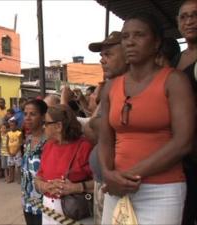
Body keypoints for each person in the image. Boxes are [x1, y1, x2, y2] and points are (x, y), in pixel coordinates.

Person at [99, 12, 195, 225]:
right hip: (116, 187)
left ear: (156, 43)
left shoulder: (174, 81)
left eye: (139, 35)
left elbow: (183, 142)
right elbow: (105, 138)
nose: (130, 42)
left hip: (162, 190)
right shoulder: (111, 87)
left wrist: (127, 176)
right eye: (125, 37)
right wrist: (108, 173)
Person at [87, 30, 129, 225]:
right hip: (104, 181)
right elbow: (91, 129)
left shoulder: (130, 88)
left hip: (122, 184)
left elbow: (96, 129)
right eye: (101, 55)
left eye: (109, 54)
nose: (103, 60)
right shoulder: (111, 87)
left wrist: (96, 123)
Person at [34, 105, 94, 225]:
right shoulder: (49, 145)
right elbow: (38, 177)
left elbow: (100, 183)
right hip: (48, 212)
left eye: (46, 123)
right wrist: (44, 186)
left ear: (58, 126)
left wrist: (76, 187)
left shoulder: (85, 146)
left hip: (74, 213)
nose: (43, 126)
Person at [174, 1, 197, 225]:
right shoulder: (176, 59)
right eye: (184, 17)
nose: (189, 21)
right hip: (182, 156)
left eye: (195, 15)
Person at [21, 99, 48, 225]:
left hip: (44, 202)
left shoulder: (48, 141)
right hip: (27, 199)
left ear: (43, 117)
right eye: (25, 114)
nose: (28, 118)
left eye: (33, 114)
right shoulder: (28, 139)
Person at [7, 118, 22, 183]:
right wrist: (9, 152)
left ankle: (19, 179)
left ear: (16, 126)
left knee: (18, 166)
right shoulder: (8, 133)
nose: (12, 127)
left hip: (17, 152)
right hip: (10, 152)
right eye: (10, 125)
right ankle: (11, 178)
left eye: (13, 125)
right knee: (11, 166)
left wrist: (16, 152)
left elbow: (20, 143)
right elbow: (7, 143)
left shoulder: (19, 133)